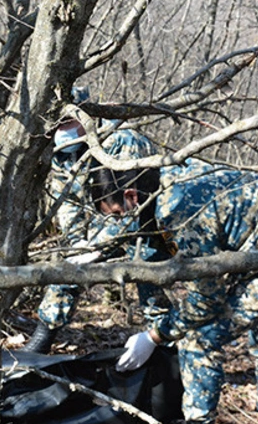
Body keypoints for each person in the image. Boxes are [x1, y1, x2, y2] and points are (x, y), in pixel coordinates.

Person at [89, 161, 258, 424]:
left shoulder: (179, 208)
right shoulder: (155, 185)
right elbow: (151, 259)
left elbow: (206, 302)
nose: (119, 222)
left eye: (117, 213)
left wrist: (156, 335)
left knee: (201, 334)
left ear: (131, 196)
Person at [22, 87, 164, 353]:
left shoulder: (122, 140)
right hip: (102, 230)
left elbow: (132, 207)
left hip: (149, 226)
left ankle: (162, 340)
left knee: (150, 277)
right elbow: (68, 205)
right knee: (66, 267)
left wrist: (96, 248)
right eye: (58, 123)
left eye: (68, 121)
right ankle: (42, 340)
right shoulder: (64, 152)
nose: (62, 128)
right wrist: (79, 249)